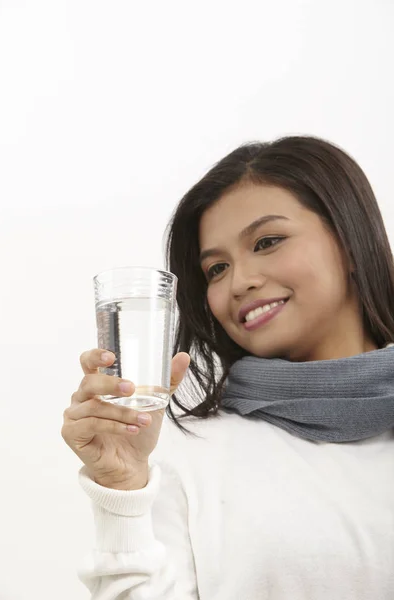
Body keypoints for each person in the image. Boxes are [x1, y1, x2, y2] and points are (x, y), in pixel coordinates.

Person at [62, 135, 394, 599]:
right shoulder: (185, 452)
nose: (240, 282)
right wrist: (121, 488)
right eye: (216, 269)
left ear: (350, 239)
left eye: (267, 241)